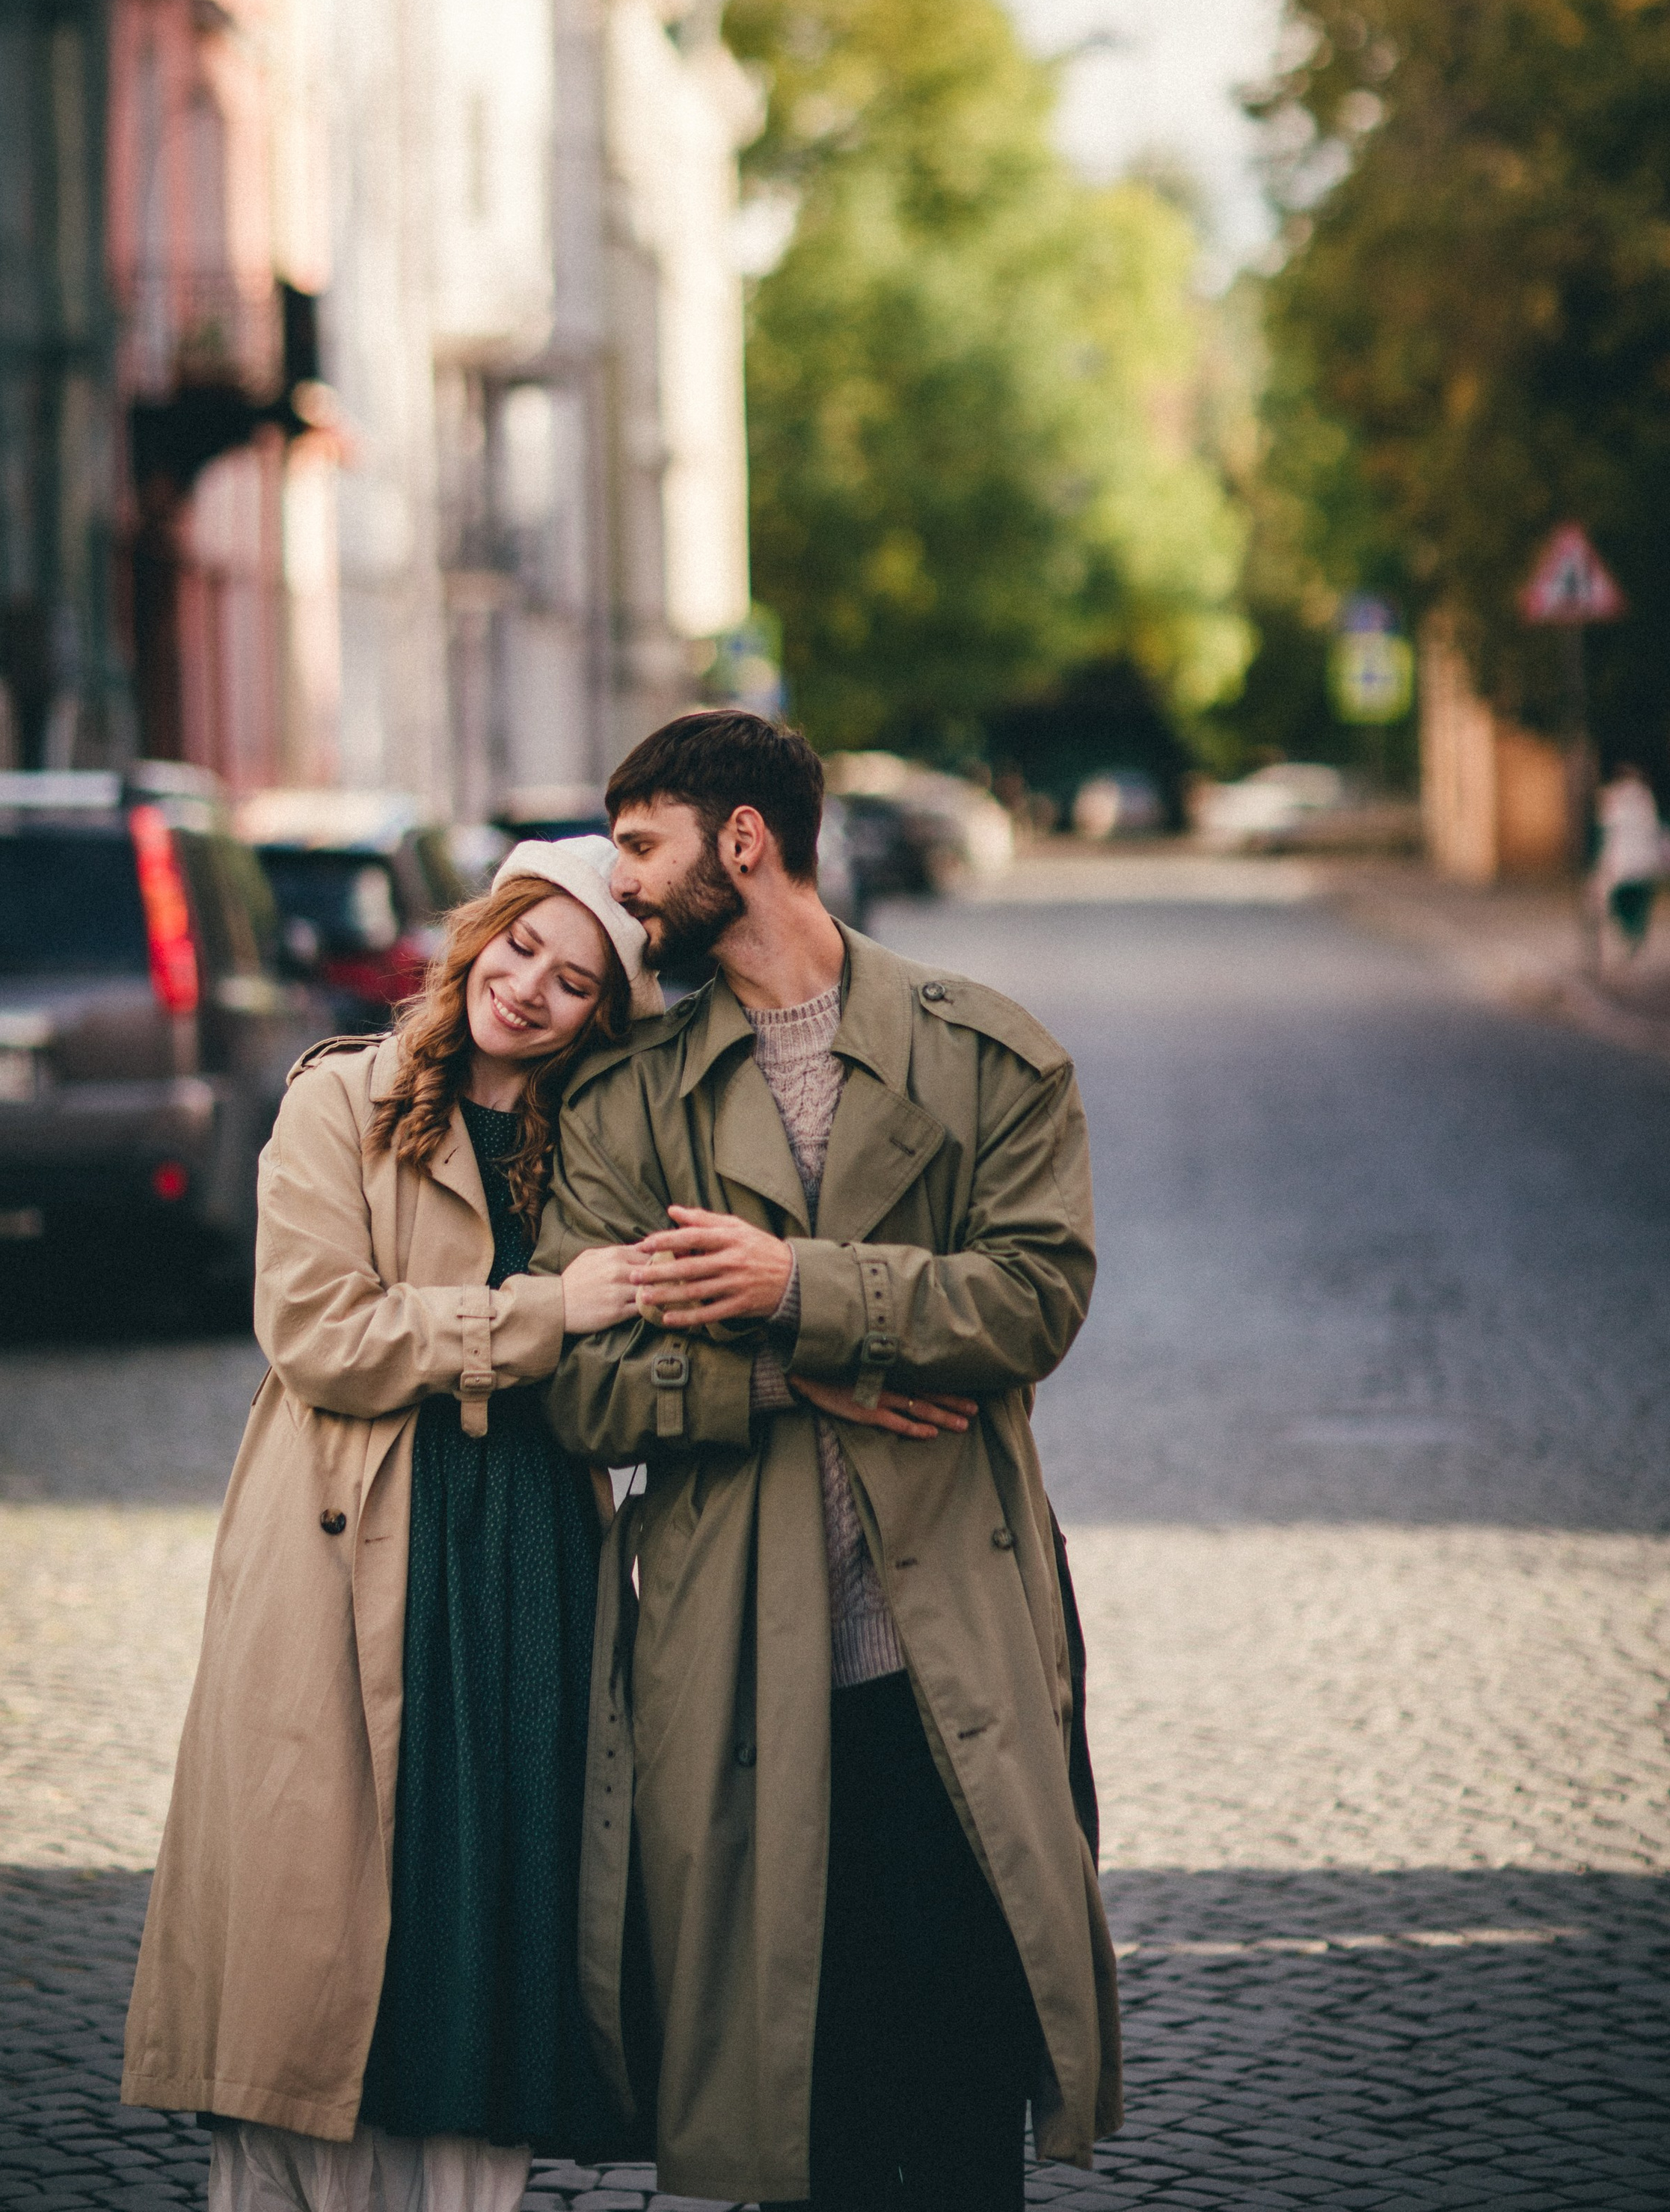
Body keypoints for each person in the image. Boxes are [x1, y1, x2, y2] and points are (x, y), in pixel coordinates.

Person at [538, 712, 1123, 2212]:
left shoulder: (989, 1052)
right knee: (804, 2118)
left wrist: (798, 1281)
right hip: (738, 1669)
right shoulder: (622, 1107)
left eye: (644, 849)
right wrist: (793, 1373)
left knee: (959, 2104)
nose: (627, 891)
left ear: (745, 843)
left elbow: (1033, 1299)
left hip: (956, 1664)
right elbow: (580, 1388)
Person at [122, 839, 658, 2212]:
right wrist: (550, 1311)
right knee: (320, 1928)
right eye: (522, 947)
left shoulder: (601, 1144)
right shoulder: (340, 1099)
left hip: (528, 1554)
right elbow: (323, 1334)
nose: (530, 989)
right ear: (478, 933)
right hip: (345, 1544)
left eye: (576, 983)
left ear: (605, 1017)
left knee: (488, 1919)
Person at [1591, 761, 1670, 956]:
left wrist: (1599, 861)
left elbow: (1603, 832)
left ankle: (1627, 933)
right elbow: (1658, 829)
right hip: (1645, 862)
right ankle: (1636, 934)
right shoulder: (1647, 798)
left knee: (1619, 903)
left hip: (1620, 862)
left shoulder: (1611, 797)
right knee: (1640, 903)